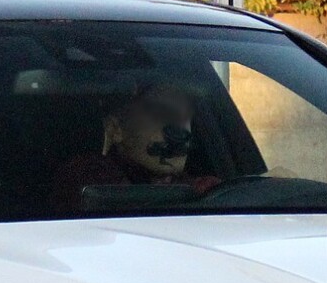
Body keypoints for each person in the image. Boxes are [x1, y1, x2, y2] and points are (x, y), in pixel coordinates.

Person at [53, 82, 220, 211]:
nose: (182, 131)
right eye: (163, 115)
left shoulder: (209, 192)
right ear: (115, 130)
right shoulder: (88, 179)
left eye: (185, 118)